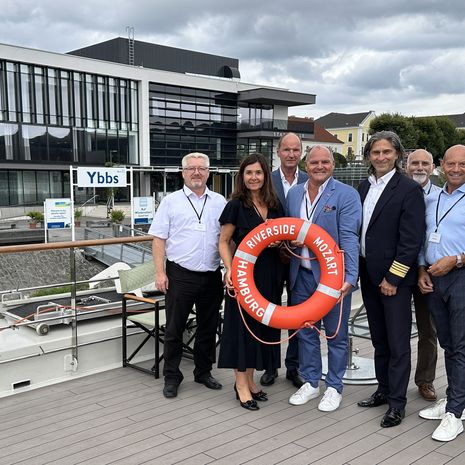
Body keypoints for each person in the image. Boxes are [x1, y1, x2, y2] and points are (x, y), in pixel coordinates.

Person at [285, 145, 362, 411]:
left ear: (333, 164)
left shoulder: (346, 194)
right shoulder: (295, 194)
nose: (320, 166)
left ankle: (334, 387)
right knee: (306, 332)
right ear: (306, 165)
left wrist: (351, 276)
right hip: (302, 275)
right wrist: (291, 242)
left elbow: (350, 237)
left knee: (335, 334)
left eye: (325, 162)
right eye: (315, 162)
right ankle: (311, 382)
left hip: (333, 279)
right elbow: (287, 230)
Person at [357, 131, 425, 427]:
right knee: (379, 340)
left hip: (393, 281)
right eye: (376, 153)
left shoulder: (408, 189)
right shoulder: (362, 186)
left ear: (397, 154)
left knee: (398, 344)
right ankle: (383, 390)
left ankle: (398, 403)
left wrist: (393, 279)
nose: (381, 157)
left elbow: (411, 241)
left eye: (386, 152)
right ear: (369, 156)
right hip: (368, 277)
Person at [149, 152, 226, 399]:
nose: (196, 172)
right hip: (180, 274)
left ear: (208, 172)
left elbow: (226, 239)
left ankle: (203, 371)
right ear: (182, 173)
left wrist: (228, 268)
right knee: (174, 328)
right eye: (191, 168)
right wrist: (160, 272)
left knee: (208, 326)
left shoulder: (219, 201)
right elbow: (158, 239)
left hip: (212, 274)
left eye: (201, 168)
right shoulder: (171, 202)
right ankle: (172, 376)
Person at [218, 152, 284, 411]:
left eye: (258, 172)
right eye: (249, 173)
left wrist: (280, 241)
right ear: (242, 177)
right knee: (241, 330)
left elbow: (284, 235)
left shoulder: (275, 204)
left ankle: (252, 381)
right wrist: (230, 269)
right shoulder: (236, 205)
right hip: (245, 277)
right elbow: (224, 242)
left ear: (265, 176)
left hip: (270, 276)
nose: (254, 177)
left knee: (261, 329)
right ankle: (241, 386)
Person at [417, 145, 465, 442]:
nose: (457, 169)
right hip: (433, 277)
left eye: (462, 164)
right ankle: (455, 398)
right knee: (447, 342)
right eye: (451, 164)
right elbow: (424, 237)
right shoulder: (432, 198)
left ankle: (456, 413)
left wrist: (457, 259)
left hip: (460, 275)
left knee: (461, 346)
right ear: (441, 165)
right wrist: (422, 269)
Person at [260, 132, 308, 388]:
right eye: (286, 150)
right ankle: (270, 366)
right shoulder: (266, 181)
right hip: (272, 258)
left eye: (295, 150)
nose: (291, 154)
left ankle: (294, 366)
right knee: (271, 310)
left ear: (301, 153)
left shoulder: (311, 180)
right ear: (278, 152)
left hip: (302, 258)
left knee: (298, 313)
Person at [405, 149, 441, 401]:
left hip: (427, 272)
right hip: (397, 270)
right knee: (393, 329)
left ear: (432, 167)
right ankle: (390, 380)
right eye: (414, 163)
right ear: (406, 166)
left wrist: (422, 268)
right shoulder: (398, 192)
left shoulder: (441, 198)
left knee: (428, 330)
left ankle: (425, 380)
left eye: (424, 163)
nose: (419, 167)